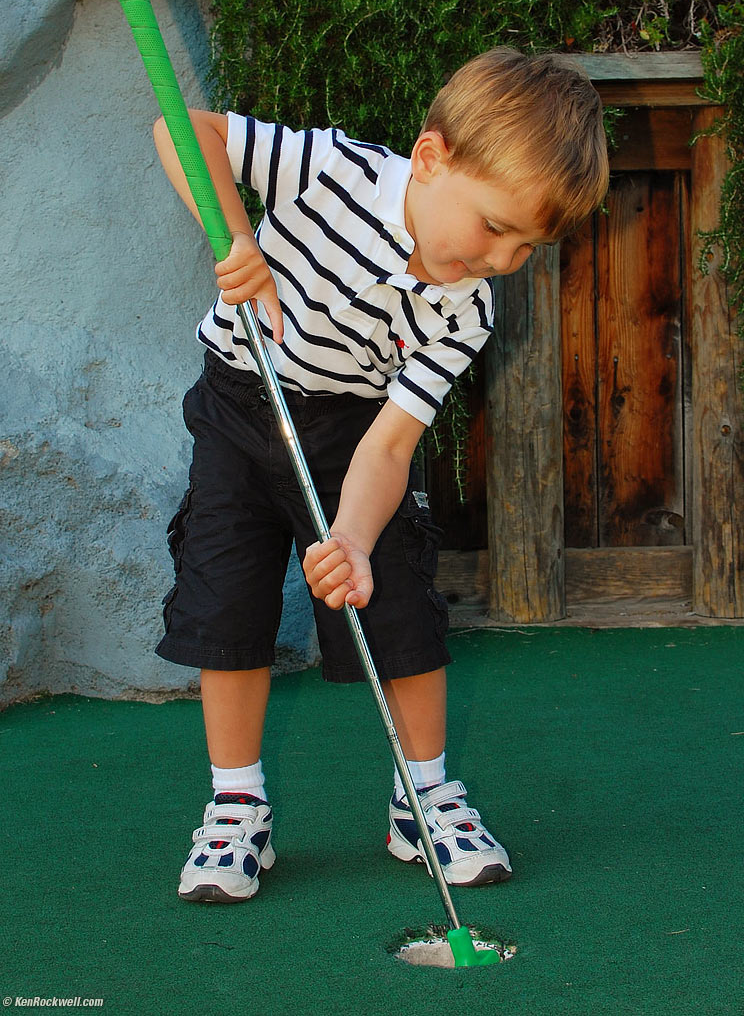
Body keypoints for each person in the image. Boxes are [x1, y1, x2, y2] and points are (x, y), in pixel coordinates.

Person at [153, 47, 609, 903]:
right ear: (431, 158)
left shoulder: (466, 311)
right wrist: (241, 237)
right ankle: (236, 806)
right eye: (494, 227)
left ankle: (423, 796)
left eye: (527, 245)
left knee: (396, 605)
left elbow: (391, 445)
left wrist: (354, 540)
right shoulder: (337, 169)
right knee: (227, 604)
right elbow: (185, 131)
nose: (504, 259)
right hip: (239, 407)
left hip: (358, 437)